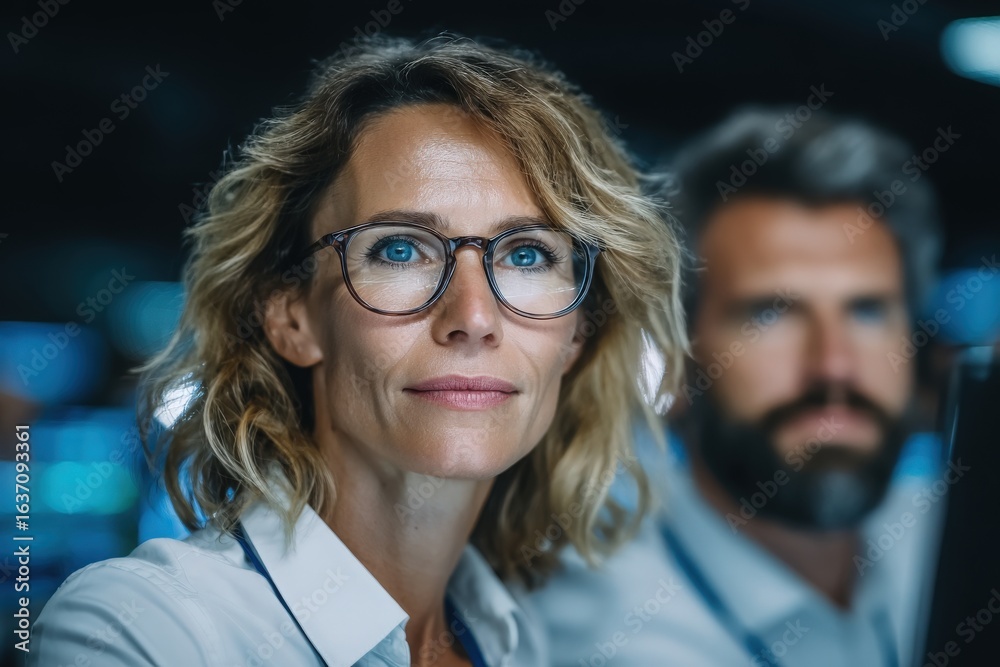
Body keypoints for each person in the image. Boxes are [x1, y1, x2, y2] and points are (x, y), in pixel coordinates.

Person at [28, 35, 687, 667]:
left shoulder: (533, 642)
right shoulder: (150, 629)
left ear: (575, 336)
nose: (474, 317)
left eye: (527, 253)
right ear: (293, 316)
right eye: (398, 248)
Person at [524, 108, 945, 667]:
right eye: (770, 315)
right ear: (675, 359)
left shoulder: (943, 537)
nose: (834, 367)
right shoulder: (597, 635)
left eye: (867, 312)